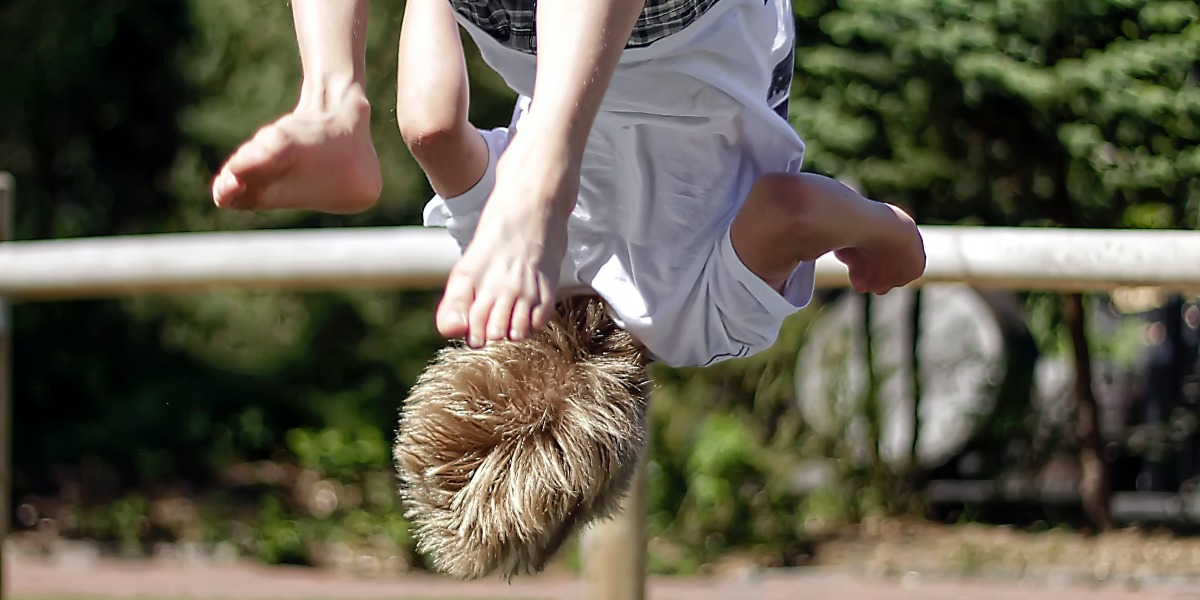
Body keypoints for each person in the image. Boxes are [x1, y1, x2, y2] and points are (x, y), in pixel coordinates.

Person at [210, 0, 926, 368]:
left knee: (550, 140)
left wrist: (886, 231)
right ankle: (331, 94)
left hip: (680, 26)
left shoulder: (696, 327)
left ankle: (551, 150)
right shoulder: (496, 275)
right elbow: (430, 127)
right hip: (511, 27)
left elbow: (791, 210)